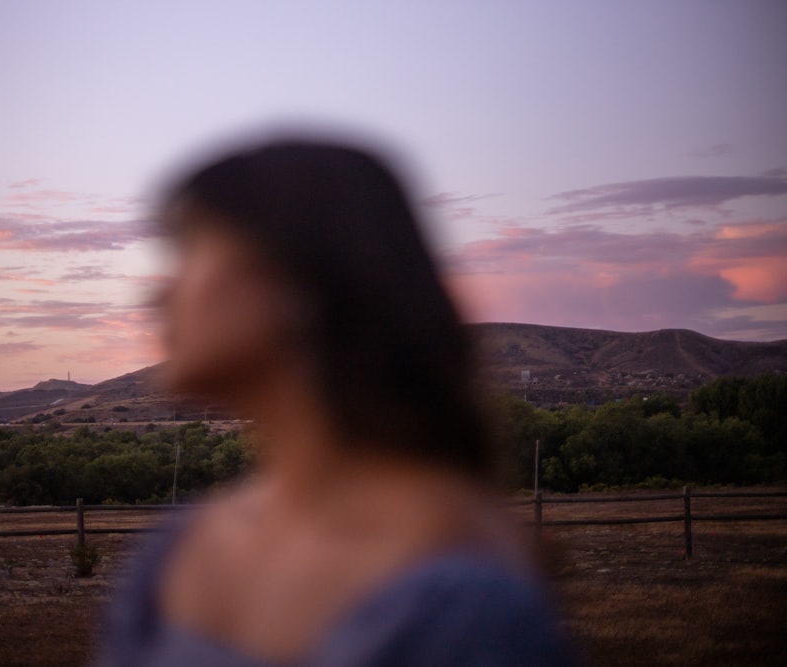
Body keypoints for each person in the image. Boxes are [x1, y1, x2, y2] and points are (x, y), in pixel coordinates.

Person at [96, 137, 576, 666]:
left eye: (189, 248)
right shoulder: (180, 545)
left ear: (296, 274)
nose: (158, 294)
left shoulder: (463, 602)